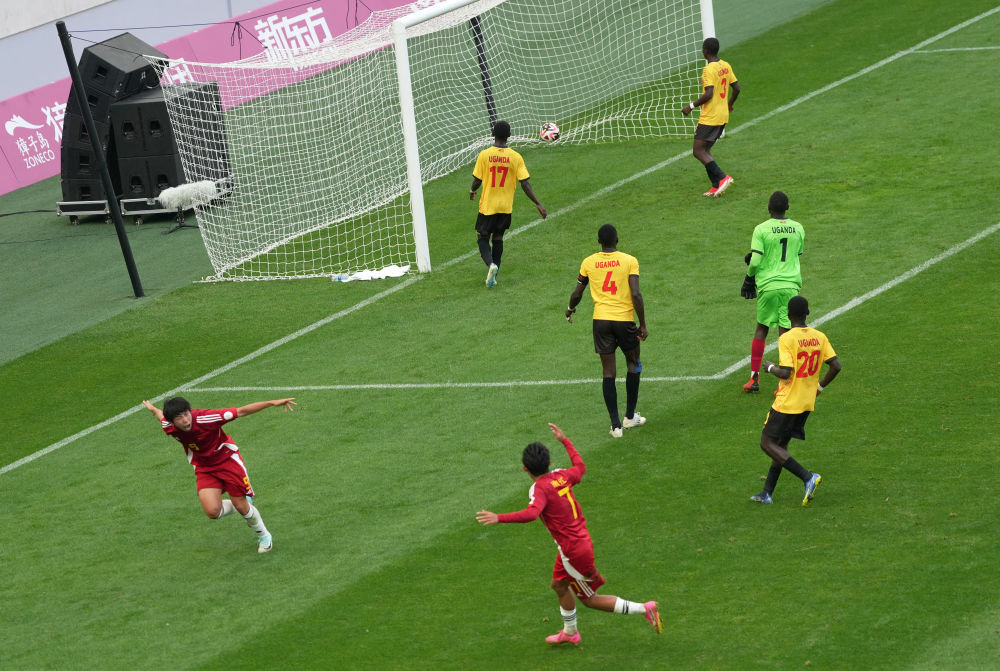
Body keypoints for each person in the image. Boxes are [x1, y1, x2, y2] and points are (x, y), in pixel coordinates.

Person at [476, 423, 662, 645]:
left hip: (572, 552)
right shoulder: (561, 475)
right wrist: (565, 440)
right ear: (549, 463)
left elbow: (532, 513)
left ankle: (644, 609)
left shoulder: (539, 489)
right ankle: (570, 632)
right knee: (558, 585)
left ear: (525, 469)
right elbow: (580, 467)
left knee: (590, 600)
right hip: (577, 542)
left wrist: (499, 517)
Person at [141, 396, 297, 553]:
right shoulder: (169, 426)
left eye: (186, 414)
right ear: (172, 421)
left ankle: (264, 536)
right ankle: (240, 503)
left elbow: (241, 411)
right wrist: (153, 409)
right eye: (179, 418)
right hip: (204, 468)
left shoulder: (206, 418)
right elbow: (161, 416)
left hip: (227, 461)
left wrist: (271, 403)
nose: (185, 420)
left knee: (242, 507)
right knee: (212, 512)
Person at [749, 296, 841, 506]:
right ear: (807, 313)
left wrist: (770, 368)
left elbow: (786, 373)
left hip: (788, 402)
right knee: (781, 445)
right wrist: (819, 387)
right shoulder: (819, 336)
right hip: (806, 402)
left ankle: (808, 477)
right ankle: (766, 493)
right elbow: (836, 365)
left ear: (788, 315)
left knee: (767, 443)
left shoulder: (787, 338)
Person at [566, 224, 647, 438]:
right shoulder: (629, 261)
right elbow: (636, 294)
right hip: (624, 321)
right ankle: (629, 417)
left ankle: (616, 426)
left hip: (601, 321)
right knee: (634, 364)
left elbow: (577, 293)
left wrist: (570, 309)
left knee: (608, 372)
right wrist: (643, 324)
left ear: (598, 242)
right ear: (617, 240)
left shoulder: (588, 262)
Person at [740, 190, 805, 393]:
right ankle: (783, 383)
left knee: (762, 329)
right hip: (790, 286)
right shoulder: (798, 228)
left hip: (768, 286)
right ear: (788, 208)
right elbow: (794, 254)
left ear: (769, 208)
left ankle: (754, 379)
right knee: (786, 333)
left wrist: (748, 278)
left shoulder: (761, 229)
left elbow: (756, 261)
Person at [470, 119, 547, 288]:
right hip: (505, 207)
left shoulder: (485, 155)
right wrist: (538, 203)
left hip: (488, 206)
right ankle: (494, 276)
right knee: (498, 237)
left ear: (493, 134)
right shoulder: (515, 157)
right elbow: (525, 184)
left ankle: (491, 265)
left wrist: (472, 190)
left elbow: (477, 180)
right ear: (509, 135)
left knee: (482, 237)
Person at [681, 37, 741, 197]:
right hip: (723, 115)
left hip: (710, 116)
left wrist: (690, 106)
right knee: (705, 150)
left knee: (698, 151)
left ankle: (722, 177)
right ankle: (716, 185)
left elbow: (709, 94)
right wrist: (729, 104)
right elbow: (737, 88)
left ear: (705, 51)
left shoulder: (708, 69)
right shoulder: (726, 65)